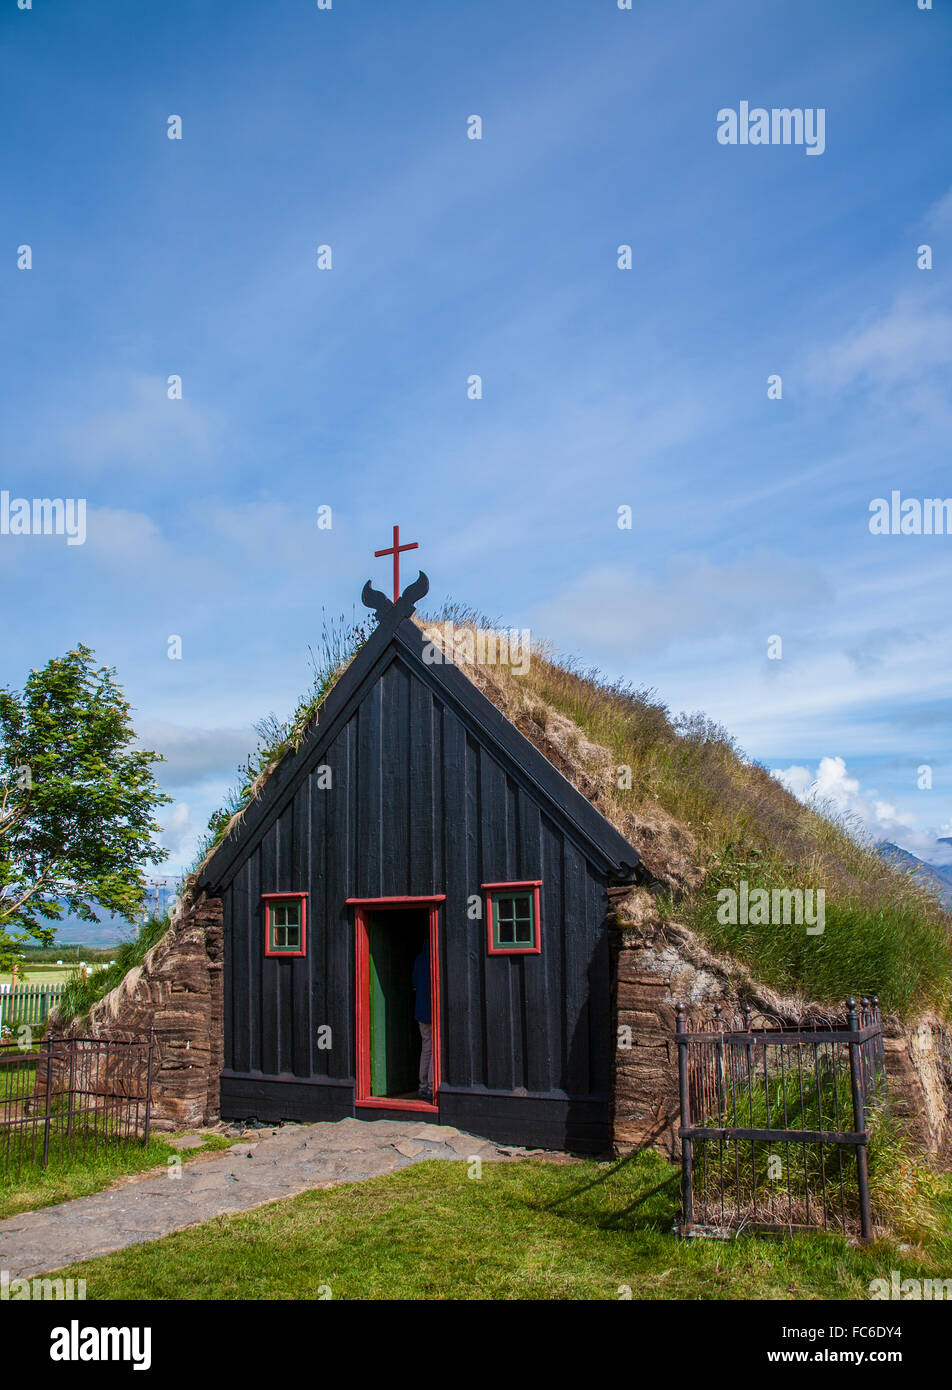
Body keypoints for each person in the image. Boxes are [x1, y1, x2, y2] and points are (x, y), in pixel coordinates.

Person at [411, 944, 432, 1101]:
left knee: (426, 1048)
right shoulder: (434, 958)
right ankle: (431, 1086)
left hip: (421, 1011)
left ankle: (423, 1086)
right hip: (433, 1011)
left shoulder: (419, 959)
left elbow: (415, 985)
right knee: (435, 1049)